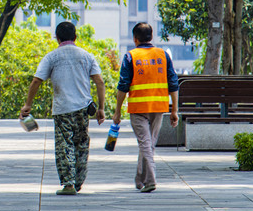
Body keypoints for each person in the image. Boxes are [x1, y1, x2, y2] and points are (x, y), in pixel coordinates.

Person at [21, 21, 106, 195]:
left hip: (62, 109)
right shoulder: (87, 56)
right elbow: (99, 81)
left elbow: (37, 80)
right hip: (83, 108)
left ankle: (68, 183)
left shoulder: (51, 57)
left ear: (57, 38)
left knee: (64, 145)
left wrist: (28, 104)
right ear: (75, 37)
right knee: (81, 144)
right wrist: (101, 108)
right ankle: (78, 182)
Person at [112, 22, 179, 193]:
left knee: (145, 144)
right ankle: (139, 178)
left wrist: (117, 111)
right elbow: (173, 83)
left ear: (135, 39)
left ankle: (150, 180)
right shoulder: (163, 55)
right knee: (148, 144)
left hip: (138, 107)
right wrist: (174, 110)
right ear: (151, 37)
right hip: (158, 106)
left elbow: (123, 86)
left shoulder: (130, 56)